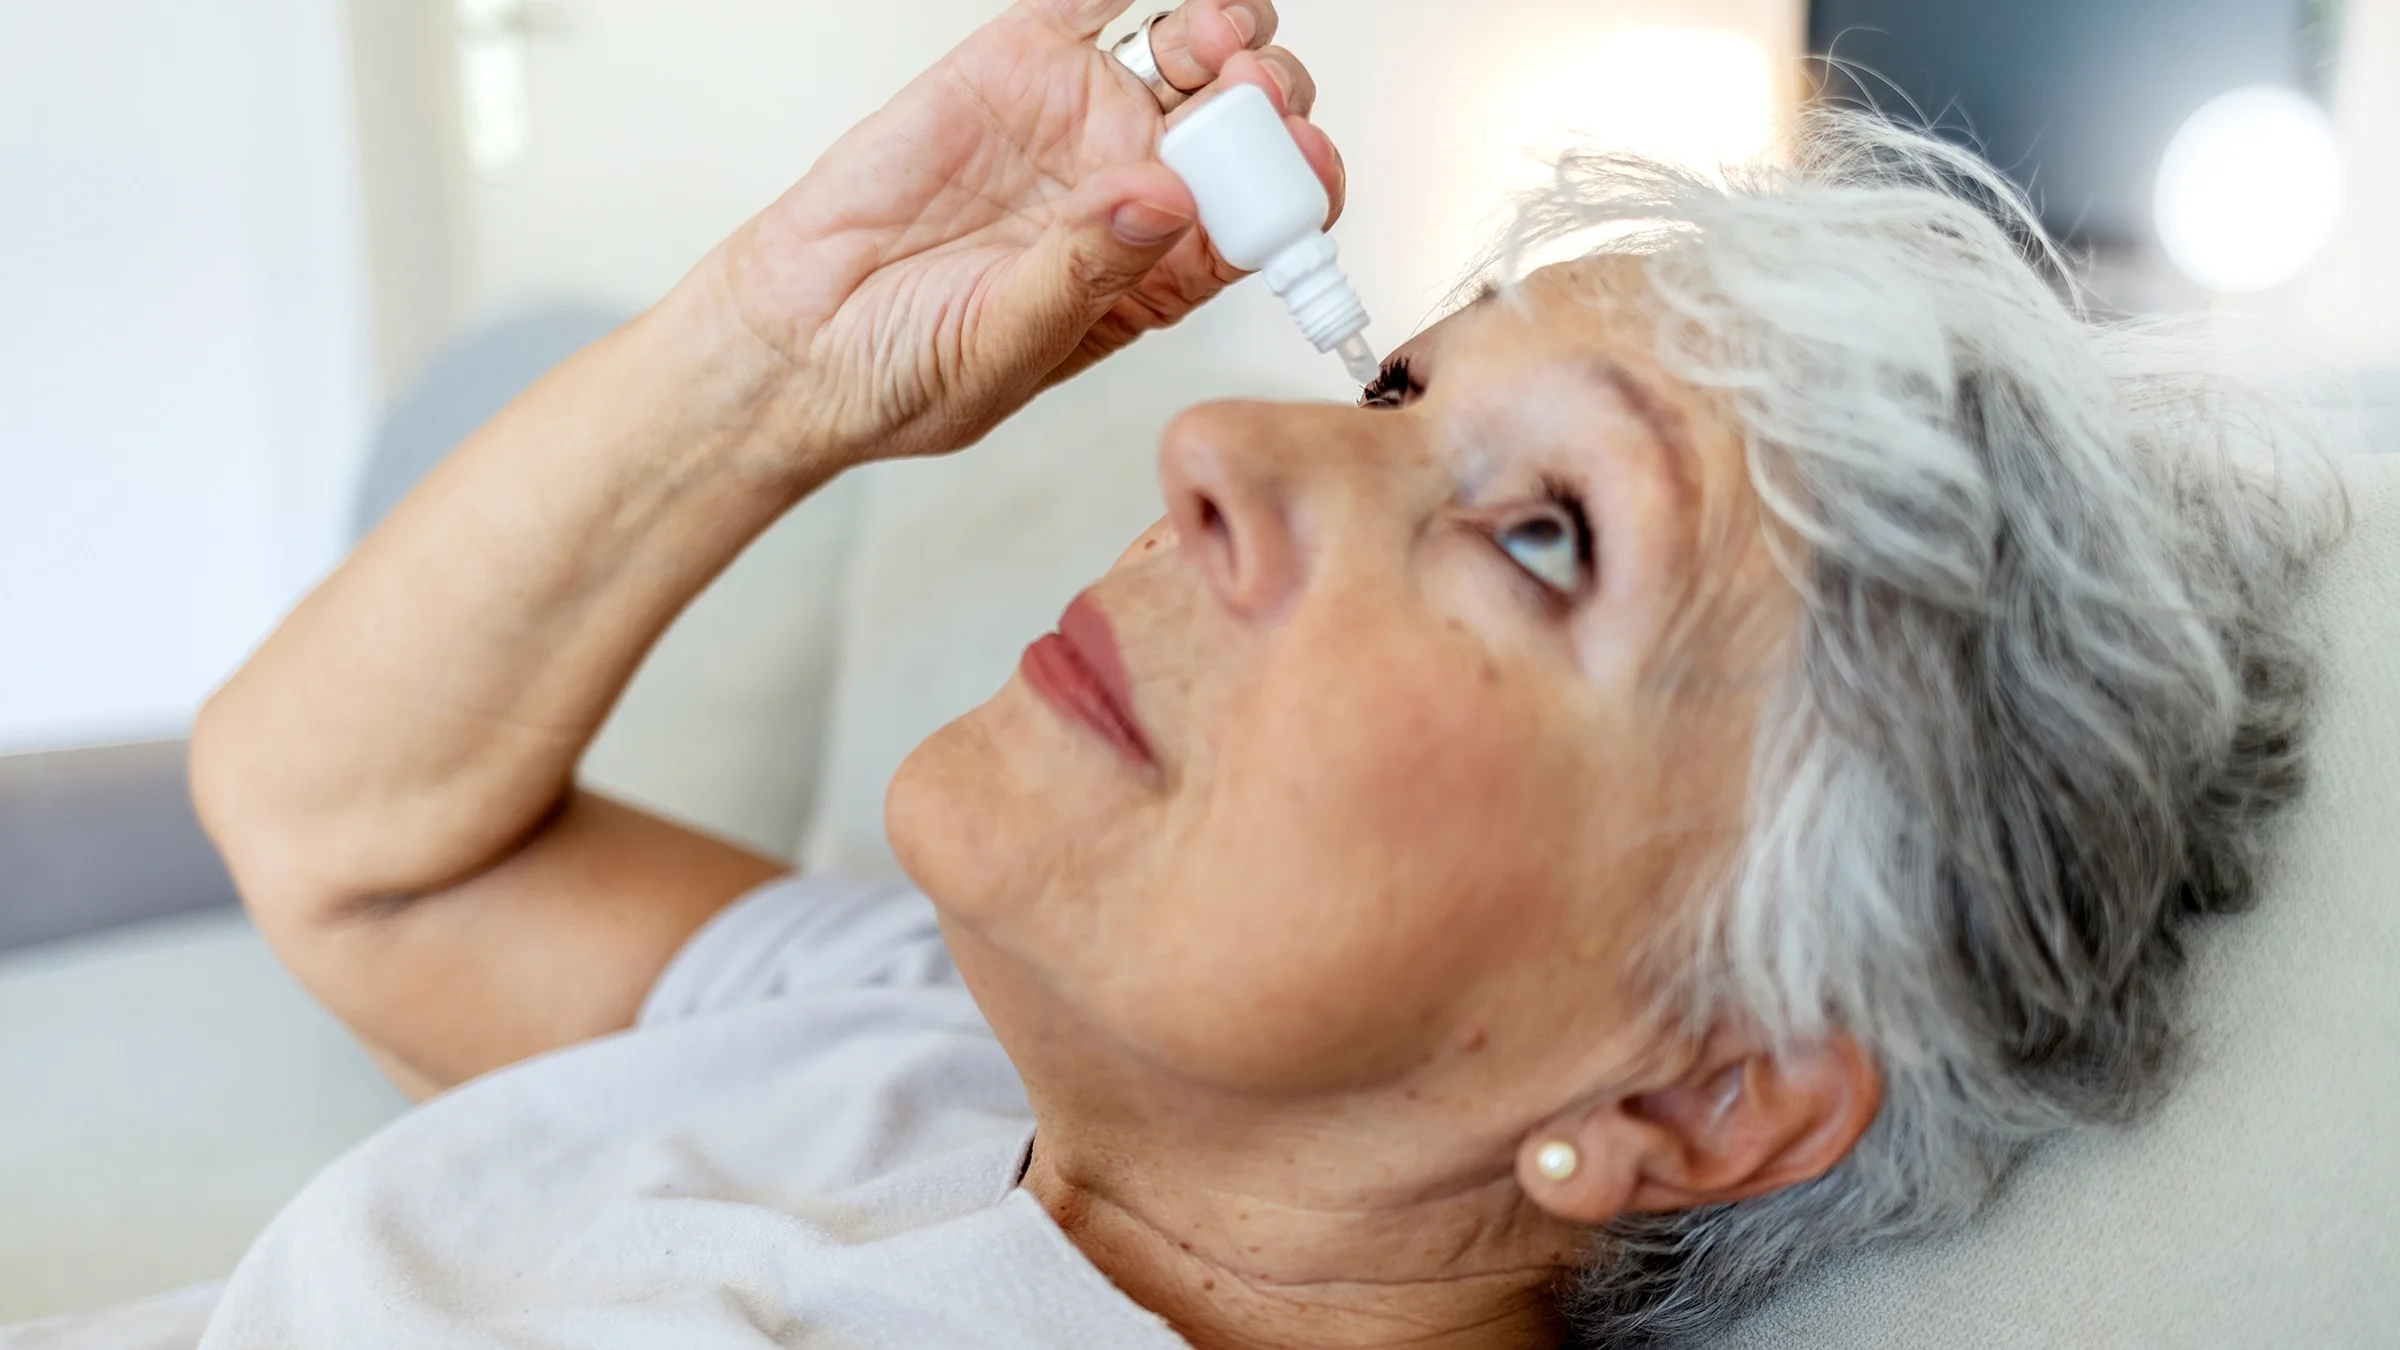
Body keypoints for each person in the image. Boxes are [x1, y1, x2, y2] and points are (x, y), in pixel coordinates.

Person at [183, 0, 2339, 1345]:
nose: (1213, 448)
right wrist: (787, 352)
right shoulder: (938, 1048)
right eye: (1398, 389)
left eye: (1542, 535)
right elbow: (343, 841)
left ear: (1704, 1088)